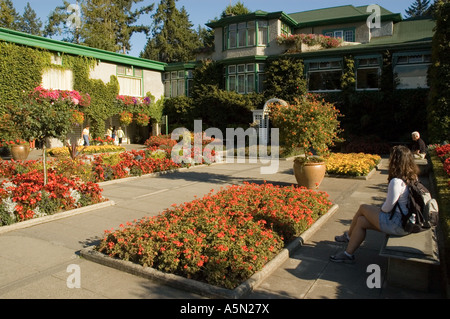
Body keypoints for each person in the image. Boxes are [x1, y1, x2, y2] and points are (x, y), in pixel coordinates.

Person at [330, 145, 419, 264]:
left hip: (397, 224)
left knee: (363, 208)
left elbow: (387, 208)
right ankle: (348, 254)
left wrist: (377, 210)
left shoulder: (396, 182)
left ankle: (348, 237)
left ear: (395, 161)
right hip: (407, 222)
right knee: (361, 221)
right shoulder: (412, 177)